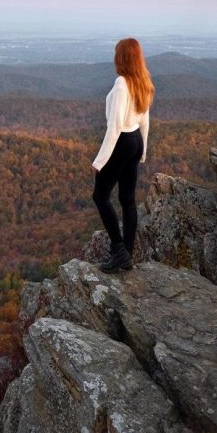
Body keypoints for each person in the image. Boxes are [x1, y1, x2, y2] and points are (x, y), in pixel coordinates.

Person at [91, 38, 154, 272]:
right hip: (135, 140)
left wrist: (100, 161)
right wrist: (143, 151)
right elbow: (145, 121)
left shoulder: (121, 83)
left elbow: (115, 126)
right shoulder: (142, 80)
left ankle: (118, 250)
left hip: (122, 142)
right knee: (128, 200)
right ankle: (127, 254)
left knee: (100, 196)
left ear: (122, 58)